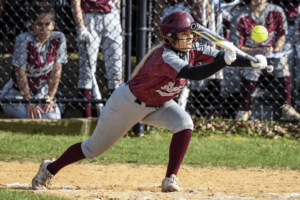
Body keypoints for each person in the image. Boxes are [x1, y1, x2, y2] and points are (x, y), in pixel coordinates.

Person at [31, 12, 268, 192]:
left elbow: (220, 55)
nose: (190, 37)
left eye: (190, 33)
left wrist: (252, 62)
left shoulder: (192, 47)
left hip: (158, 104)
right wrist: (223, 62)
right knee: (92, 149)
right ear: (169, 39)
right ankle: (49, 169)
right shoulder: (165, 57)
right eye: (183, 35)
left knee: (185, 123)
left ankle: (170, 179)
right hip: (127, 104)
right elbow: (195, 74)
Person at [228, 0, 300, 121]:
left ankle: (287, 107)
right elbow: (237, 47)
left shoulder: (276, 11)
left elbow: (282, 35)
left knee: (281, 62)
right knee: (254, 65)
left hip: (271, 55)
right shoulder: (240, 15)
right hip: (249, 56)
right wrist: (257, 52)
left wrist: (277, 47)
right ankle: (243, 110)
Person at [0, 7, 67, 119]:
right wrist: (29, 102)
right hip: (16, 95)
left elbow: (56, 72)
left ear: (53, 25)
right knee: (34, 118)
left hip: (41, 94)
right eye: (39, 24)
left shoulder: (59, 39)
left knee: (53, 119)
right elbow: (20, 74)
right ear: (32, 25)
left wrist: (49, 98)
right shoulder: (23, 40)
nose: (43, 28)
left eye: (47, 24)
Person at [71, 0, 123, 118]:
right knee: (87, 71)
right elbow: (75, 3)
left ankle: (116, 117)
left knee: (116, 71)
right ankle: (87, 117)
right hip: (89, 15)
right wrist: (81, 28)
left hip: (112, 15)